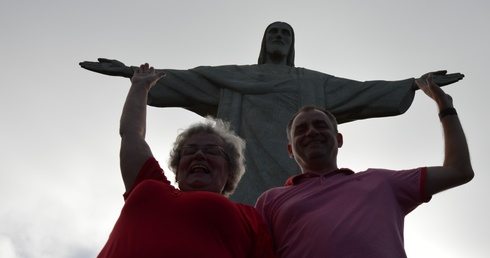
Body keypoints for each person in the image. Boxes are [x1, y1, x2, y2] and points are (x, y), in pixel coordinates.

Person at [80, 21, 464, 205]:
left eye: (286, 34)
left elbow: (362, 92)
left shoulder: (313, 83)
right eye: (273, 33)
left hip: (291, 173)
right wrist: (134, 74)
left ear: (292, 45)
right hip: (239, 169)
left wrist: (414, 83)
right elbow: (186, 80)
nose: (279, 37)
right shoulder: (234, 78)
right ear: (264, 43)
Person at [255, 74, 474, 258]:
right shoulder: (270, 200)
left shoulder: (382, 182)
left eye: (320, 125)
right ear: (290, 150)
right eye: (301, 130)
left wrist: (446, 108)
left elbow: (458, 170)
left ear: (339, 139)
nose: (311, 132)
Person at [97, 63, 274, 258]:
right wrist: (140, 86)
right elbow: (131, 134)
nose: (199, 155)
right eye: (190, 150)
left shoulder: (249, 217)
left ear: (230, 170)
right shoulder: (150, 183)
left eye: (211, 150)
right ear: (178, 166)